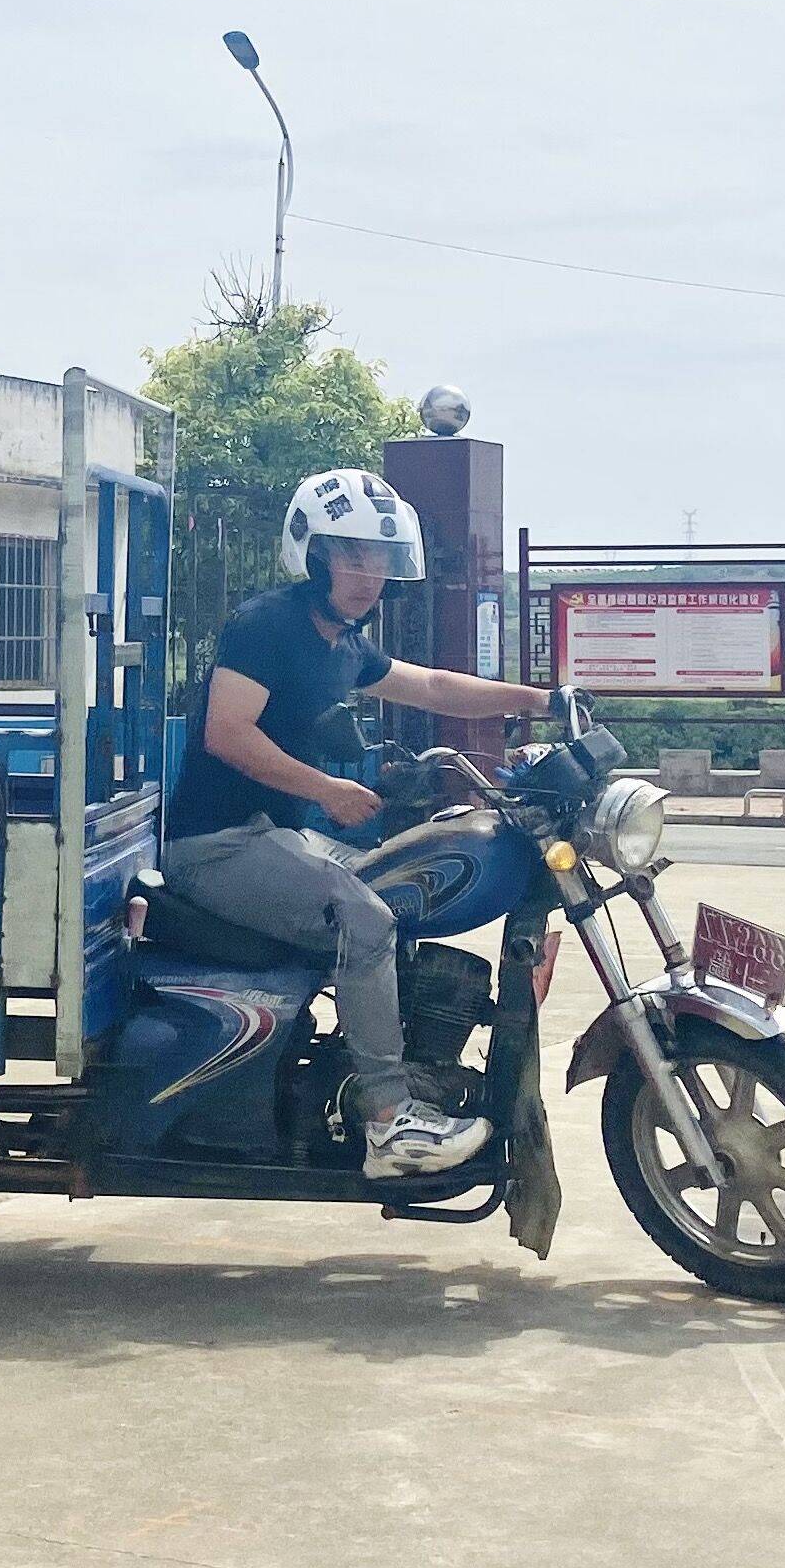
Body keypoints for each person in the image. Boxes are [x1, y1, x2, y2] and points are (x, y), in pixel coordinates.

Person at [161, 467, 552, 1179]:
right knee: (365, 920)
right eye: (351, 555)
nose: (369, 573)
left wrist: (540, 696)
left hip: (274, 837)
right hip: (215, 847)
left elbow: (432, 684)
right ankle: (386, 1120)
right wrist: (326, 789)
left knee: (395, 881)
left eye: (379, 557)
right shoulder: (267, 626)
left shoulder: (344, 643)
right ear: (312, 556)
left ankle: (381, 1059)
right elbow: (227, 733)